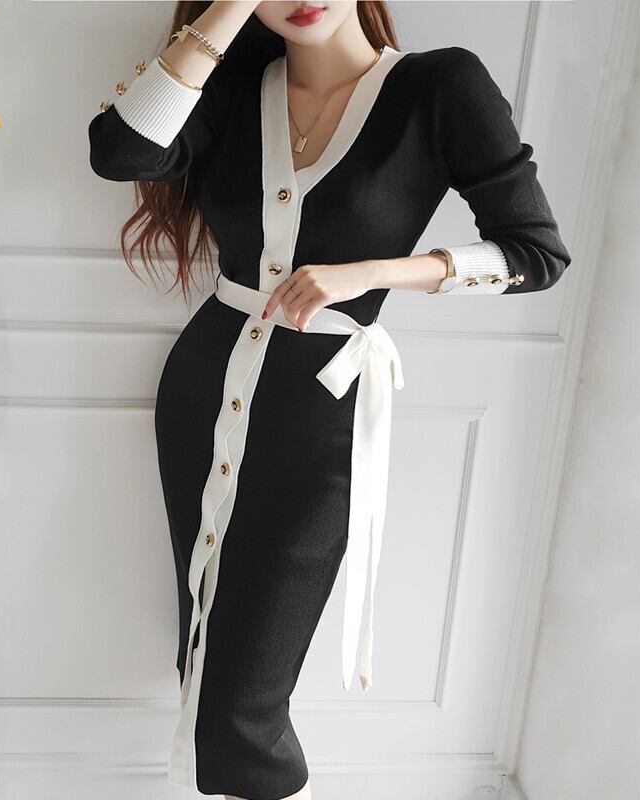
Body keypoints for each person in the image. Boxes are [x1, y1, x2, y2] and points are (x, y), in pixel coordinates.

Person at [88, 2, 572, 799]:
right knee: (204, 657)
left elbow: (536, 252)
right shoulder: (231, 86)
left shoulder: (439, 87)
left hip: (321, 410)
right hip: (204, 391)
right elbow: (120, 151)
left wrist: (372, 273)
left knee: (244, 701)